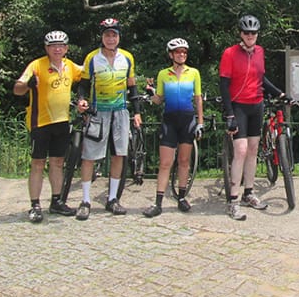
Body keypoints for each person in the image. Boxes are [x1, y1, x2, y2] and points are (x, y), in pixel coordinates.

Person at [219, 15, 287, 221]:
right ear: (241, 34)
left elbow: (261, 78)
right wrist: (229, 113)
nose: (250, 36)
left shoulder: (260, 52)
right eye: (247, 33)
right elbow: (224, 85)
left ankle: (248, 192)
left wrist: (279, 94)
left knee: (253, 149)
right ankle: (233, 200)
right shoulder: (230, 53)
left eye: (253, 33)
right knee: (240, 150)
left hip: (256, 104)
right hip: (238, 106)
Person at [74, 18, 142, 220]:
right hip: (98, 112)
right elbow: (84, 84)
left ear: (119, 37)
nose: (111, 39)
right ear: (102, 37)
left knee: (118, 155)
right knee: (89, 156)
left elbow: (132, 86)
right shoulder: (92, 58)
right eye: (107, 35)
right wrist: (81, 100)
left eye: (114, 35)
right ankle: (85, 200)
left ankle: (112, 199)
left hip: (120, 111)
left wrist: (137, 112)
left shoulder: (127, 58)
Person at [13, 30, 83, 223]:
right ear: (46, 48)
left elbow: (88, 72)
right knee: (38, 163)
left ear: (66, 48)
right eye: (53, 46)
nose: (57, 49)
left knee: (58, 162)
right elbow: (17, 89)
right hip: (40, 122)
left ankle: (56, 201)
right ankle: (35, 205)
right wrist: (28, 85)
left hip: (61, 122)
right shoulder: (36, 65)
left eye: (61, 46)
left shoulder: (70, 66)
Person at [143, 38, 204, 217]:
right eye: (178, 52)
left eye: (184, 52)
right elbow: (159, 99)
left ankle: (182, 198)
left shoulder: (194, 73)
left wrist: (200, 122)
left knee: (184, 161)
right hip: (169, 121)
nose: (182, 54)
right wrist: (151, 93)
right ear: (171, 55)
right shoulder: (163, 74)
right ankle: (158, 203)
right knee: (165, 163)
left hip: (187, 120)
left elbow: (198, 98)